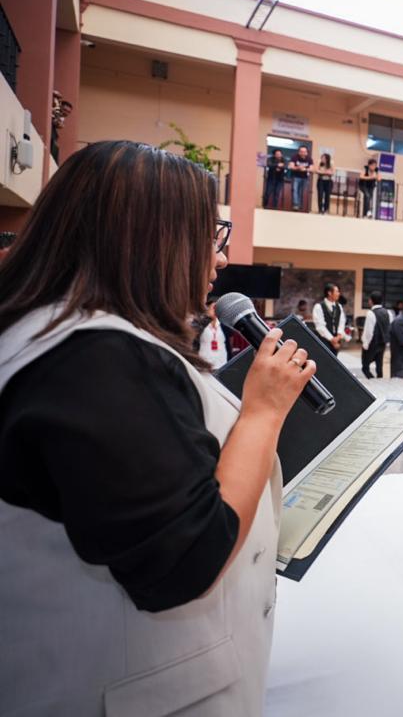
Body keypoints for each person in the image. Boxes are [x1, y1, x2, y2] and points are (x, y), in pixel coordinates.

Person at [0, 141, 315, 715]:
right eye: (210, 236)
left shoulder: (57, 335)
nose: (220, 259)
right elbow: (188, 555)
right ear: (152, 239)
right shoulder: (95, 357)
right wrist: (264, 411)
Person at [360, 291, 391, 379]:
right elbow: (389, 328)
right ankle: (379, 381)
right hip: (383, 343)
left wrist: (365, 344)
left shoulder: (371, 313)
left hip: (373, 343)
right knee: (379, 366)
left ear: (371, 301)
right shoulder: (388, 312)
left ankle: (373, 381)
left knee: (365, 367)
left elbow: (369, 332)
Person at [195, 296, 232, 369]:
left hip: (222, 364)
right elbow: (195, 334)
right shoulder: (201, 323)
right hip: (204, 365)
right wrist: (208, 317)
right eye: (214, 307)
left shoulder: (223, 325)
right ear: (207, 308)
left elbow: (228, 344)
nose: (216, 310)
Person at [311, 283, 348, 355]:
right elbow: (320, 326)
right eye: (337, 291)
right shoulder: (319, 307)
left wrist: (338, 336)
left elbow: (342, 322)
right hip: (324, 339)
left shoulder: (339, 306)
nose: (339, 294)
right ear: (329, 293)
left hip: (336, 339)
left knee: (334, 359)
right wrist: (332, 339)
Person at [288, 145, 312, 211]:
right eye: (301, 151)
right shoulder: (294, 157)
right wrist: (298, 167)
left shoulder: (309, 159)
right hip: (295, 176)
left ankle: (299, 205)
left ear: (306, 152)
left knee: (301, 192)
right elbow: (291, 166)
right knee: (295, 190)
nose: (303, 153)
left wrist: (305, 169)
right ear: (299, 152)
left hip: (305, 178)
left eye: (304, 151)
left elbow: (312, 168)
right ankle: (296, 205)